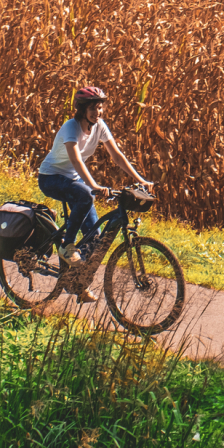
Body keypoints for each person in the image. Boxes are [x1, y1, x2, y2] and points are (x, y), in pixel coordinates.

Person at [37, 85, 153, 299]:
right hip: (51, 178)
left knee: (94, 239)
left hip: (74, 179)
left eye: (99, 108)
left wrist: (140, 179)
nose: (97, 112)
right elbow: (76, 159)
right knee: (84, 194)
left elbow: (117, 156)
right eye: (92, 108)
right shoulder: (71, 128)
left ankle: (77, 284)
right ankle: (66, 246)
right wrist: (94, 186)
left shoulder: (99, 126)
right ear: (81, 109)